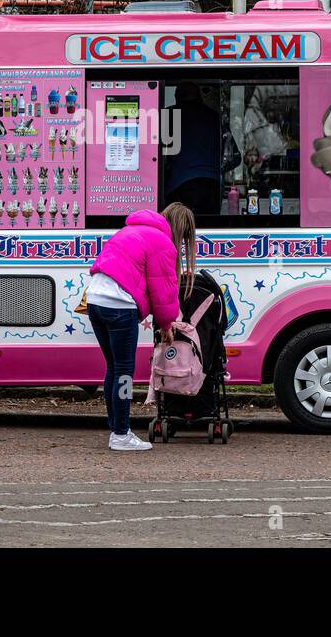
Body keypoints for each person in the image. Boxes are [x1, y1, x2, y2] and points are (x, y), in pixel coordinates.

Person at [84, 203, 197, 452]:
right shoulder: (162, 243)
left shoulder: (128, 231)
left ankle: (116, 427)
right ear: (182, 230)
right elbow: (163, 290)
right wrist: (167, 323)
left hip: (95, 300)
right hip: (119, 306)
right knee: (124, 371)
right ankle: (122, 434)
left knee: (113, 367)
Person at [164, 83, 221, 214]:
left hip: (179, 184)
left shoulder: (168, 115)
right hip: (212, 185)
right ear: (200, 97)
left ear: (177, 97)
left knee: (181, 228)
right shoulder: (214, 116)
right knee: (211, 226)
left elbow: (156, 152)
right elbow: (232, 156)